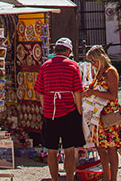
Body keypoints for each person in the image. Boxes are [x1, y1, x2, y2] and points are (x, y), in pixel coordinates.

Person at [34, 37, 86, 181]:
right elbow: (77, 92)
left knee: (51, 151)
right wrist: (79, 112)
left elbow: (40, 92)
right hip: (69, 112)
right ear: (68, 51)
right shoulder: (73, 66)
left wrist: (46, 109)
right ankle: (69, 179)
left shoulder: (45, 66)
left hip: (50, 113)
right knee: (69, 150)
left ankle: (54, 179)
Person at [83, 46, 121, 181]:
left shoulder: (110, 72)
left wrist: (93, 92)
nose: (92, 65)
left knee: (111, 147)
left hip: (109, 114)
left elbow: (113, 95)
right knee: (100, 147)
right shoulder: (99, 72)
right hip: (97, 115)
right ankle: (106, 177)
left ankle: (112, 178)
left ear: (100, 59)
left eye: (93, 61)